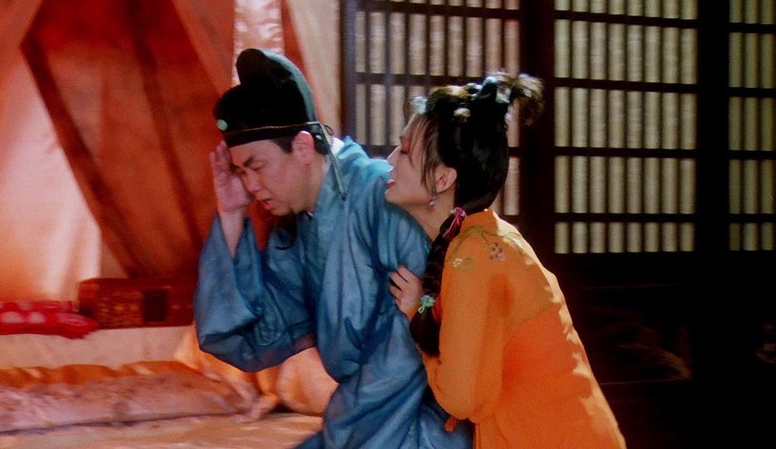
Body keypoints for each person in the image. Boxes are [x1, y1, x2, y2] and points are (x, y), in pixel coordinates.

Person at [193, 48, 473, 448]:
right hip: (365, 416)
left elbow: (410, 344)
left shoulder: (383, 197)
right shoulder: (296, 230)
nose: (251, 186)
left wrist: (344, 425)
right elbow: (252, 336)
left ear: (303, 147)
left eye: (257, 167)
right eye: (241, 172)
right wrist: (231, 214)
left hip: (419, 418)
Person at [385, 73, 627, 448]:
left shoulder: (473, 255)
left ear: (443, 178)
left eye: (403, 151)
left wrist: (418, 312)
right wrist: (421, 307)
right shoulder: (480, 242)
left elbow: (463, 398)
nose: (389, 160)